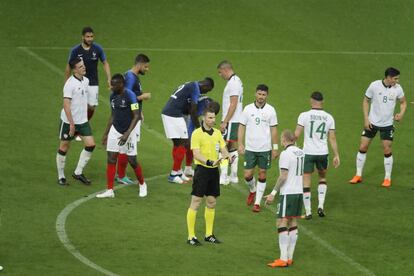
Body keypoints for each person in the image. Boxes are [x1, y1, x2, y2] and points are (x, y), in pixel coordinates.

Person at [349, 67, 406, 187]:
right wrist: (366, 118)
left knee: (387, 149)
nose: (397, 81)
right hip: (372, 122)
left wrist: (401, 113)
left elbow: (403, 102)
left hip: (387, 124)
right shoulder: (374, 86)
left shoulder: (398, 89)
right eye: (395, 78)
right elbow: (366, 101)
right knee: (363, 146)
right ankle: (358, 175)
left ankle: (387, 178)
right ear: (389, 78)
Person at [96, 74, 147, 198]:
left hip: (130, 130)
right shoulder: (112, 96)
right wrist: (106, 133)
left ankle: (142, 184)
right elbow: (113, 115)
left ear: (121, 84)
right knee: (111, 158)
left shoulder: (130, 96)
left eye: (113, 85)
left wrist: (127, 134)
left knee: (132, 160)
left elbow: (136, 116)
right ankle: (109, 190)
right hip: (116, 130)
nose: (111, 87)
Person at [186, 107, 229, 245]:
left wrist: (227, 156)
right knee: (196, 202)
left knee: (211, 202)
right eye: (210, 117)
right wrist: (210, 161)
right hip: (202, 171)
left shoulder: (217, 133)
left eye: (214, 117)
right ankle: (191, 236)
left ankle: (208, 234)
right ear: (204, 118)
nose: (213, 120)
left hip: (213, 172)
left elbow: (223, 149)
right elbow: (196, 154)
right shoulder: (196, 133)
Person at [294, 91, 340, 219]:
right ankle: (320, 206)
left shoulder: (304, 115)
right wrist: (336, 155)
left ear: (311, 101)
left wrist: (292, 145)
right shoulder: (329, 117)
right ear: (322, 101)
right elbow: (332, 138)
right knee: (322, 178)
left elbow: (296, 134)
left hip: (308, 153)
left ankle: (308, 212)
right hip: (322, 153)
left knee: (306, 181)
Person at [161, 78, 215, 184]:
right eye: (207, 90)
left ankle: (179, 172)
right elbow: (193, 111)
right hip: (174, 115)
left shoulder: (190, 84)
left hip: (171, 113)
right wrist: (200, 130)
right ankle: (173, 174)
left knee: (178, 144)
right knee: (184, 143)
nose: (205, 93)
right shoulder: (195, 88)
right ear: (205, 86)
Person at [264, 130, 304, 267]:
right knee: (293, 221)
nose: (280, 142)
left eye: (281, 139)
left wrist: (272, 193)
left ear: (285, 140)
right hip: (299, 192)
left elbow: (283, 176)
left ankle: (283, 258)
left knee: (281, 222)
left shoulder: (285, 154)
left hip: (288, 192)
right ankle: (289, 257)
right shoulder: (301, 152)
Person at [238, 84, 279, 212]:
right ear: (255, 94)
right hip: (250, 148)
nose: (261, 97)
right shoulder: (247, 109)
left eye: (264, 94)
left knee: (262, 173)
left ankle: (257, 203)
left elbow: (274, 130)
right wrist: (240, 143)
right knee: (247, 175)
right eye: (259, 94)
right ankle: (253, 190)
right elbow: (241, 127)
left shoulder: (271, 110)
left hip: (265, 149)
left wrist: (275, 147)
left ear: (267, 95)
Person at [56, 57, 96, 185]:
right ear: (74, 70)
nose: (84, 68)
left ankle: (78, 172)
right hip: (68, 121)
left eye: (83, 65)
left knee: (90, 145)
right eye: (80, 67)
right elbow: (67, 106)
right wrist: (72, 124)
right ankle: (61, 176)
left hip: (82, 121)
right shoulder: (69, 84)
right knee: (64, 147)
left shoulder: (86, 81)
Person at [116, 54, 151, 185]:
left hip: (131, 114)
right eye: (146, 67)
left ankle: (120, 174)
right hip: (130, 117)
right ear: (140, 64)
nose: (147, 69)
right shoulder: (131, 78)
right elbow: (127, 97)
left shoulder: (129, 75)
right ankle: (121, 175)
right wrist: (143, 96)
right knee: (128, 147)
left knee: (125, 146)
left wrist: (140, 111)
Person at [64, 26, 111, 123]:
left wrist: (109, 78)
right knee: (78, 105)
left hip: (93, 81)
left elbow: (105, 63)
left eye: (91, 36)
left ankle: (84, 122)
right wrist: (67, 82)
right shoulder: (75, 50)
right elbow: (69, 66)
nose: (90, 39)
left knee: (92, 106)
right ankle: (78, 126)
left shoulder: (97, 49)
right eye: (87, 37)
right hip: (79, 82)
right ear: (82, 37)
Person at [217, 61, 244, 185]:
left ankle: (223, 176)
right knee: (232, 147)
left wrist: (225, 122)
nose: (219, 75)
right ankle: (233, 176)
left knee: (222, 147)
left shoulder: (233, 83)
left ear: (225, 69)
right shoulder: (237, 81)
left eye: (220, 72)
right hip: (236, 119)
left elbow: (233, 104)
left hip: (231, 120)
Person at [183, 97, 221, 177]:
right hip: (184, 113)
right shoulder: (202, 107)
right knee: (188, 143)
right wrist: (197, 131)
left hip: (192, 115)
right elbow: (193, 117)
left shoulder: (209, 105)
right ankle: (180, 170)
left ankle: (188, 168)